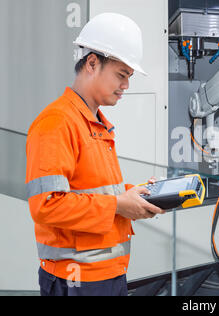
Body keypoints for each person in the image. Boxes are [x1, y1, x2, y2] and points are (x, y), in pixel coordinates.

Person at [25, 12, 164, 296]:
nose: (126, 85)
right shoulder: (56, 123)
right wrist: (117, 205)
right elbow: (47, 205)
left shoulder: (96, 125)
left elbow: (94, 191)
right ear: (92, 63)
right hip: (75, 279)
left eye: (129, 76)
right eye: (121, 74)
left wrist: (133, 195)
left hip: (107, 274)